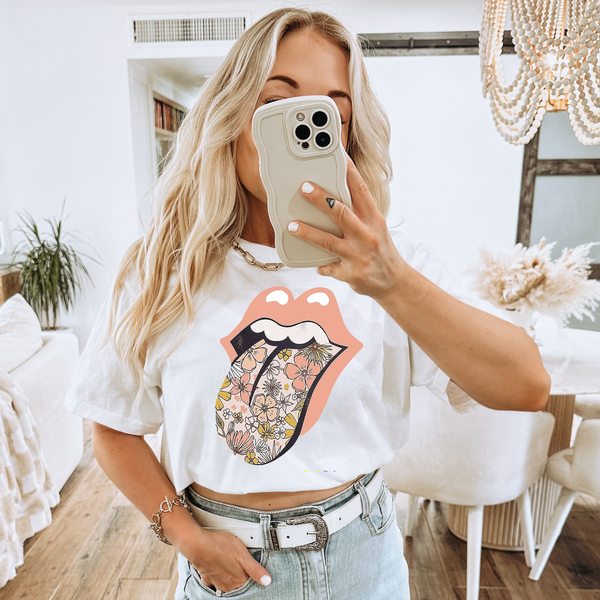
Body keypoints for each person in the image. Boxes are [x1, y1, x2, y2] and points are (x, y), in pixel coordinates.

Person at [65, 7, 550, 600]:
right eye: (277, 104)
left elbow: (526, 386)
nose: (303, 132)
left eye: (329, 116)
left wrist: (393, 282)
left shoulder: (390, 265)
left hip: (364, 557)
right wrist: (186, 537)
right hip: (229, 567)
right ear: (231, 115)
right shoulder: (164, 269)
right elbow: (112, 426)